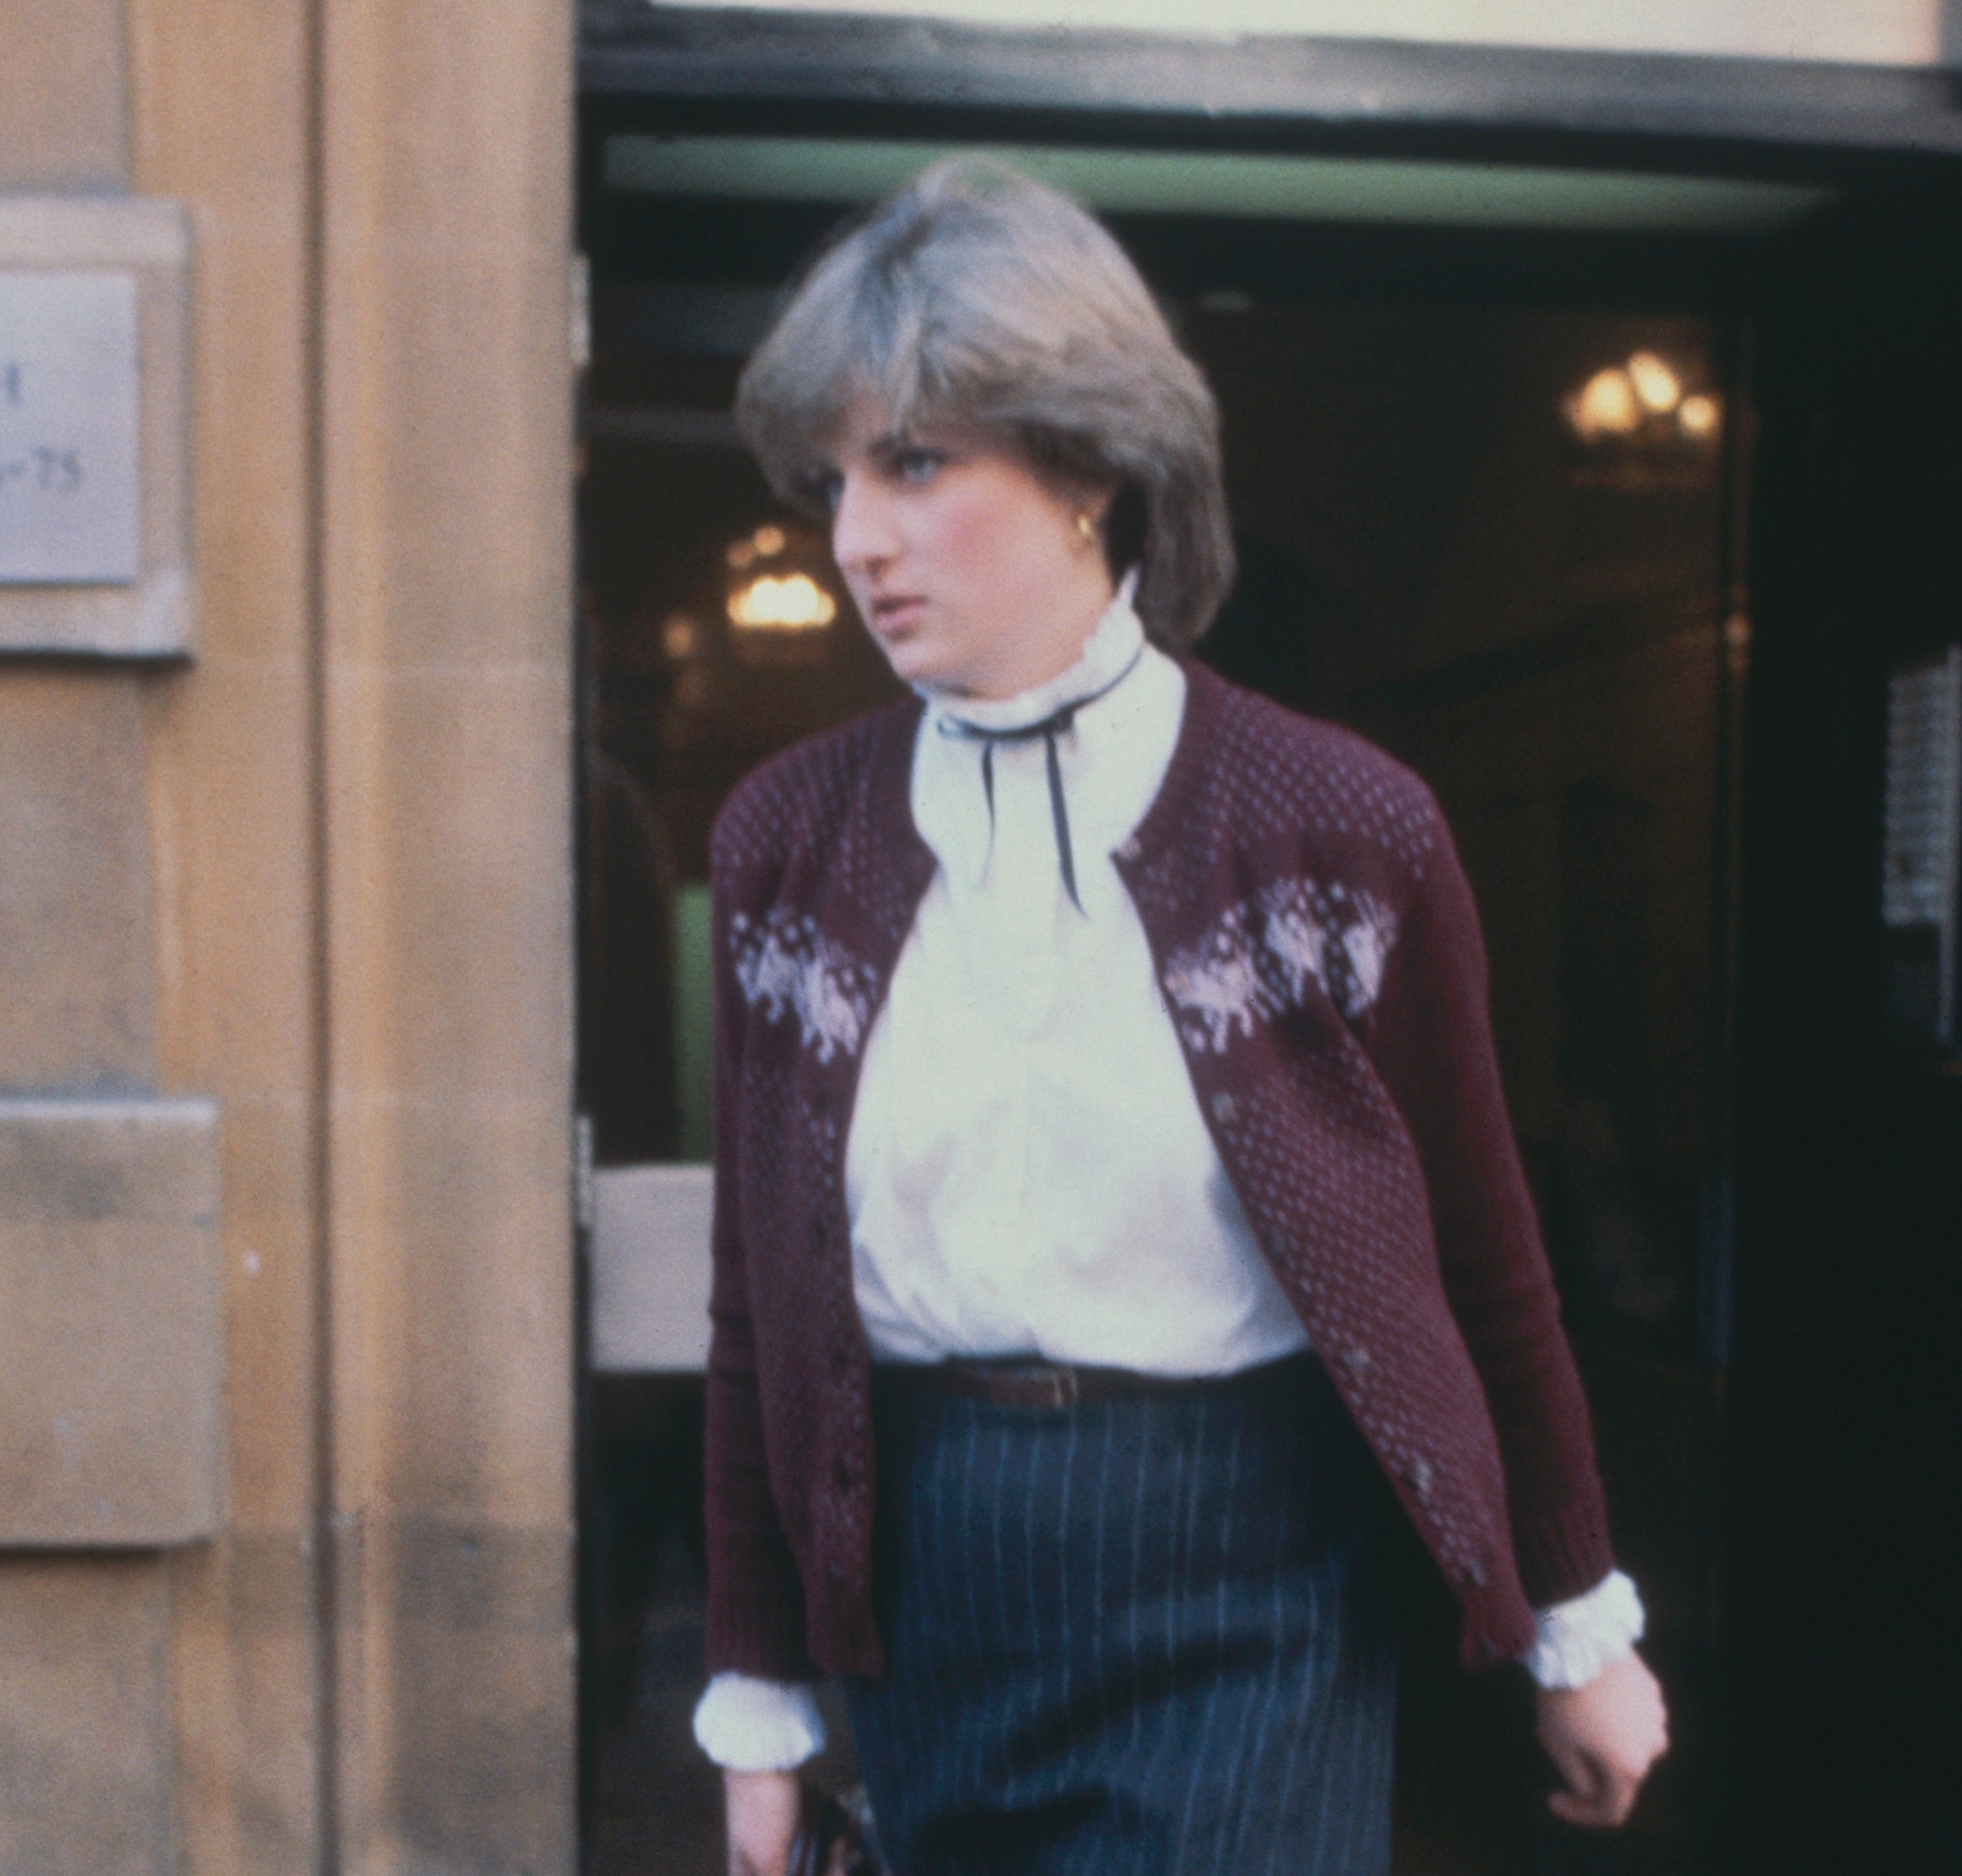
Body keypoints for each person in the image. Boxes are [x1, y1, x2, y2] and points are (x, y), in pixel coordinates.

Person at [694, 156, 1668, 1876]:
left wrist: (1574, 1618)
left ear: (1085, 463)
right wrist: (759, 1701)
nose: (854, 536)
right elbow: (756, 1317)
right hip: (921, 1578)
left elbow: (1481, 1254)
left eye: (913, 462)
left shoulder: (1336, 827)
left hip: (1251, 1568)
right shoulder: (785, 844)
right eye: (834, 476)